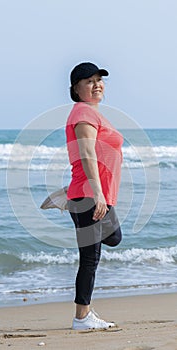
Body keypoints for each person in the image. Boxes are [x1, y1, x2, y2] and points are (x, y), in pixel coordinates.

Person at [66, 62, 123, 330]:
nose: (96, 84)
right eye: (88, 81)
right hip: (90, 194)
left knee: (114, 237)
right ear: (76, 89)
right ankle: (82, 318)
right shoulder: (83, 113)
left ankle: (67, 196)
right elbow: (87, 153)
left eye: (99, 79)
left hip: (94, 194)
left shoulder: (93, 113)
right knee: (90, 257)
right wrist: (97, 194)